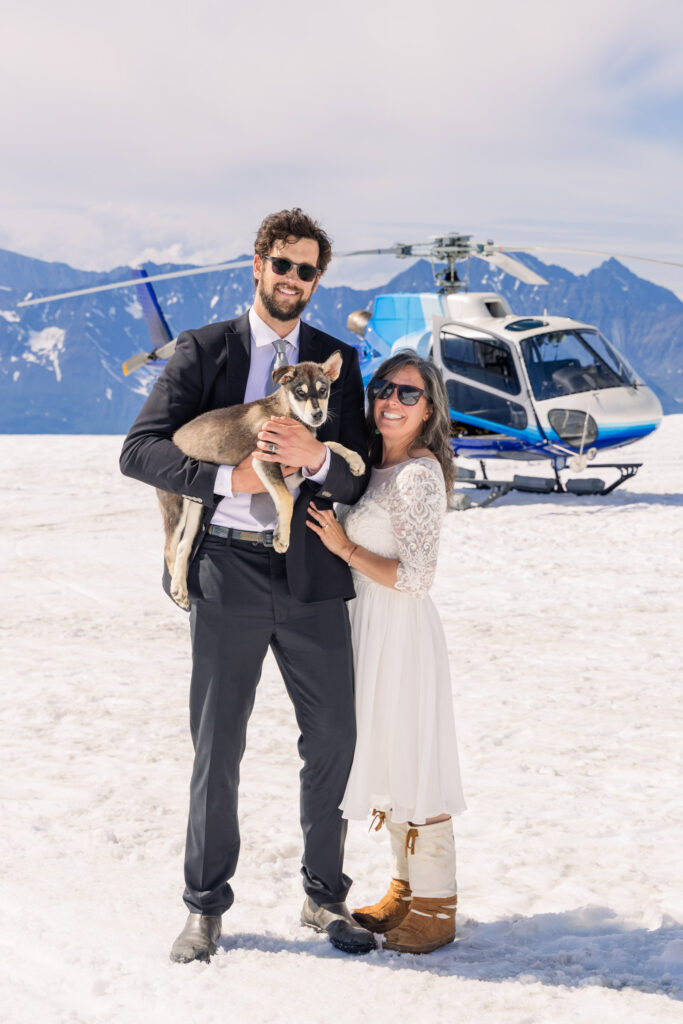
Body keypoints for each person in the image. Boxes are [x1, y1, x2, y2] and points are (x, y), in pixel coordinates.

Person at [119, 208, 374, 961]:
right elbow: (138, 452)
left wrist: (319, 458)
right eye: (283, 265)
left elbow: (356, 471)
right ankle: (204, 907)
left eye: (308, 270)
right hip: (225, 565)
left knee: (333, 738)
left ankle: (324, 899)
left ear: (317, 281)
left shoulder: (336, 360)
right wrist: (225, 476)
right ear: (257, 265)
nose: (294, 280)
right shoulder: (205, 350)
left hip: (313, 572)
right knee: (217, 744)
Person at [306, 349, 467, 954]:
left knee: (414, 756)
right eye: (383, 390)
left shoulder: (419, 475)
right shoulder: (375, 466)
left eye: (408, 394)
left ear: (429, 412)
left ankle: (437, 904)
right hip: (369, 625)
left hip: (399, 630)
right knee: (393, 758)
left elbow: (418, 576)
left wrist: (345, 549)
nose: (391, 402)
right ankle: (405, 887)